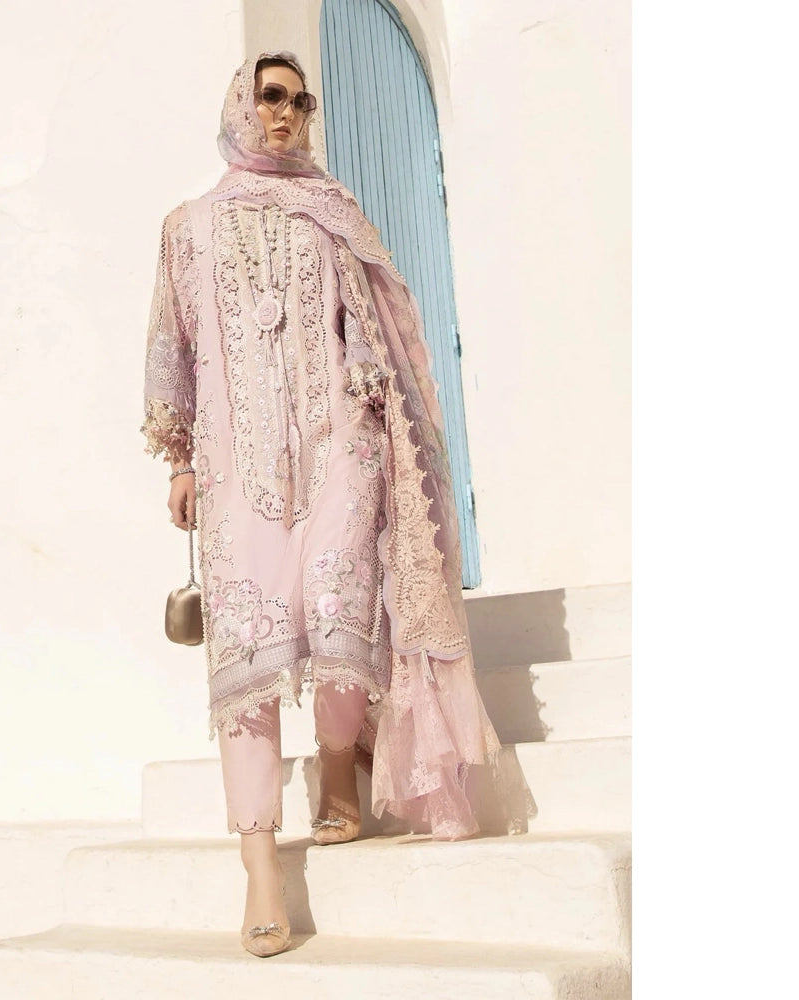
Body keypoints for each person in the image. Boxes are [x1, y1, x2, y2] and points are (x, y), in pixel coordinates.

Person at [142, 51, 527, 958]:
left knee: (340, 608)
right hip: (235, 465)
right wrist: (180, 461)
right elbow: (171, 346)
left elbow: (372, 329)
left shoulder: (331, 211)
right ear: (240, 105)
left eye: (300, 101)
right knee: (248, 645)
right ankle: (261, 864)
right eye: (270, 97)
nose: (287, 113)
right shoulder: (188, 228)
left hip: (340, 448)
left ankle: (341, 760)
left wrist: (380, 426)